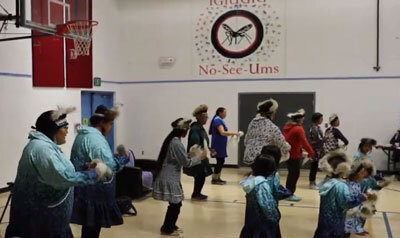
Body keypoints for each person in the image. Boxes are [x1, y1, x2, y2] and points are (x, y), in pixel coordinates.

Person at [5, 107, 107, 238]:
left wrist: (86, 167)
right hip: (39, 226)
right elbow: (62, 177)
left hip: (48, 223)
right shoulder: (42, 149)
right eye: (65, 127)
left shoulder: (46, 146)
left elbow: (59, 170)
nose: (67, 131)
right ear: (53, 130)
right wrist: (94, 174)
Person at [70, 105, 130, 238]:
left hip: (84, 189)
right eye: (111, 124)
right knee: (92, 229)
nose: (111, 128)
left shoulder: (83, 135)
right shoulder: (96, 140)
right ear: (102, 123)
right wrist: (124, 158)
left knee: (89, 226)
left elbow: (97, 160)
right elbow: (108, 168)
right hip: (93, 192)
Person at [153, 118, 206, 236]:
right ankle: (167, 228)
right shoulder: (176, 143)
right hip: (169, 177)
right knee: (176, 204)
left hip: (171, 176)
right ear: (184, 131)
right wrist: (199, 158)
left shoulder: (173, 140)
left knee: (175, 203)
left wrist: (190, 154)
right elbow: (186, 163)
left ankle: (170, 225)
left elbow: (179, 157)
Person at [314, 151, 369, 238]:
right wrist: (360, 197)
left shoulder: (326, 182)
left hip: (324, 223)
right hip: (336, 225)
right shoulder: (340, 186)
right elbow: (346, 203)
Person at [240, 154, 283, 238]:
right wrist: (276, 218)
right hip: (263, 225)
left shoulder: (251, 180)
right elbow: (267, 206)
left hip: (251, 221)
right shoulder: (262, 185)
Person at [243, 98, 291, 165]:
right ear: (272, 112)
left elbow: (246, 141)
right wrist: (288, 147)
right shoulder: (272, 127)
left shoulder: (252, 123)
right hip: (264, 160)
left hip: (249, 159)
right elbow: (283, 145)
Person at [283, 109, 315, 201]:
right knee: (294, 175)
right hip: (294, 155)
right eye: (302, 118)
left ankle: (288, 193)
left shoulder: (287, 127)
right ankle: (289, 194)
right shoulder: (298, 129)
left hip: (289, 154)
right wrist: (311, 152)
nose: (303, 120)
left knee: (291, 174)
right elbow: (304, 142)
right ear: (298, 120)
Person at [184, 104, 213, 200]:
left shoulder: (200, 127)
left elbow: (203, 141)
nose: (207, 118)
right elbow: (195, 143)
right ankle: (196, 194)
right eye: (205, 117)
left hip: (201, 156)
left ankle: (197, 193)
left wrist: (209, 148)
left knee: (201, 176)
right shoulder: (196, 128)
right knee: (200, 176)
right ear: (199, 117)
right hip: (198, 157)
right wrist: (199, 155)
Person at [345, 158, 377, 236]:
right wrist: (362, 197)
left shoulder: (357, 184)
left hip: (356, 209)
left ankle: (358, 229)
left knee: (359, 218)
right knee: (347, 228)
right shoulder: (349, 185)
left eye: (365, 173)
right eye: (362, 173)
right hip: (350, 212)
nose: (364, 175)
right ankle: (354, 230)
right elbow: (351, 202)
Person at [209, 107, 240, 185]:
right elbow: (222, 132)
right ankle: (215, 179)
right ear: (220, 112)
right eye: (224, 112)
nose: (225, 114)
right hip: (218, 144)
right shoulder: (217, 120)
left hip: (220, 144)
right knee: (220, 161)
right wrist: (235, 133)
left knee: (221, 161)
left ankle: (217, 178)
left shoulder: (218, 119)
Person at [309, 112, 325, 189]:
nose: (322, 120)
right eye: (321, 119)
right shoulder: (314, 128)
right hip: (315, 150)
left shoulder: (316, 127)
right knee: (314, 166)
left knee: (315, 166)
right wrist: (327, 137)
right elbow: (319, 139)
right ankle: (311, 183)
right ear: (317, 119)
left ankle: (313, 182)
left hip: (317, 150)